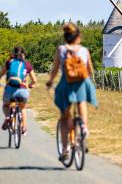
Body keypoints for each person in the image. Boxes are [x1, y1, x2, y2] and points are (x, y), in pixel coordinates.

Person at [46, 22, 97, 159]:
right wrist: (90, 80)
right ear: (78, 37)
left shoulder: (61, 49)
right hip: (81, 82)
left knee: (64, 118)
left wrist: (50, 81)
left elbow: (55, 69)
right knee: (81, 103)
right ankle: (84, 128)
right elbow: (90, 68)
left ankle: (65, 149)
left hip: (66, 83)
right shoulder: (84, 50)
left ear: (65, 37)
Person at [0, 46, 37, 135]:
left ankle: (8, 117)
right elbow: (34, 80)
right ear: (23, 54)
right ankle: (23, 127)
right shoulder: (27, 64)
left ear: (13, 53)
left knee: (5, 105)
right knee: (22, 107)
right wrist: (30, 85)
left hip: (10, 89)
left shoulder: (9, 62)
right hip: (22, 90)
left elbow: (1, 74)